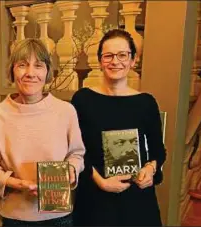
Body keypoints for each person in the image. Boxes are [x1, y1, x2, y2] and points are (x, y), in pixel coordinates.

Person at [0, 38, 86, 226]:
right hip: (15, 216)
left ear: (47, 72)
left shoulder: (66, 111)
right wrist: (16, 183)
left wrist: (70, 171)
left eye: (38, 65)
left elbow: (76, 155)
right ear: (12, 70)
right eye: (22, 65)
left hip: (58, 215)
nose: (30, 73)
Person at [71, 29, 166, 226]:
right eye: (108, 56)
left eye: (123, 55)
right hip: (95, 198)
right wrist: (100, 181)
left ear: (133, 60)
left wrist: (150, 169)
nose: (115, 61)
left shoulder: (146, 103)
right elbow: (76, 151)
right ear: (99, 61)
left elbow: (158, 151)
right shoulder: (82, 100)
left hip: (136, 199)